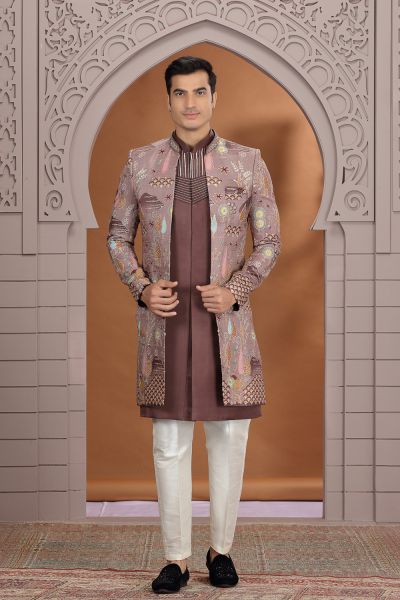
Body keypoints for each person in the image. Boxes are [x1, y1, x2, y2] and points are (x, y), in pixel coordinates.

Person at [106, 55, 281, 594]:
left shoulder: (247, 164)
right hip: (166, 329)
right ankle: (176, 558)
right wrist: (141, 287)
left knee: (229, 441)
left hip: (224, 330)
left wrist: (237, 289)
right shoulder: (140, 164)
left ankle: (220, 551)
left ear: (214, 97)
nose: (190, 103)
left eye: (199, 92)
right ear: (168, 100)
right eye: (180, 93)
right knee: (169, 444)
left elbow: (270, 243)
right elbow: (117, 237)